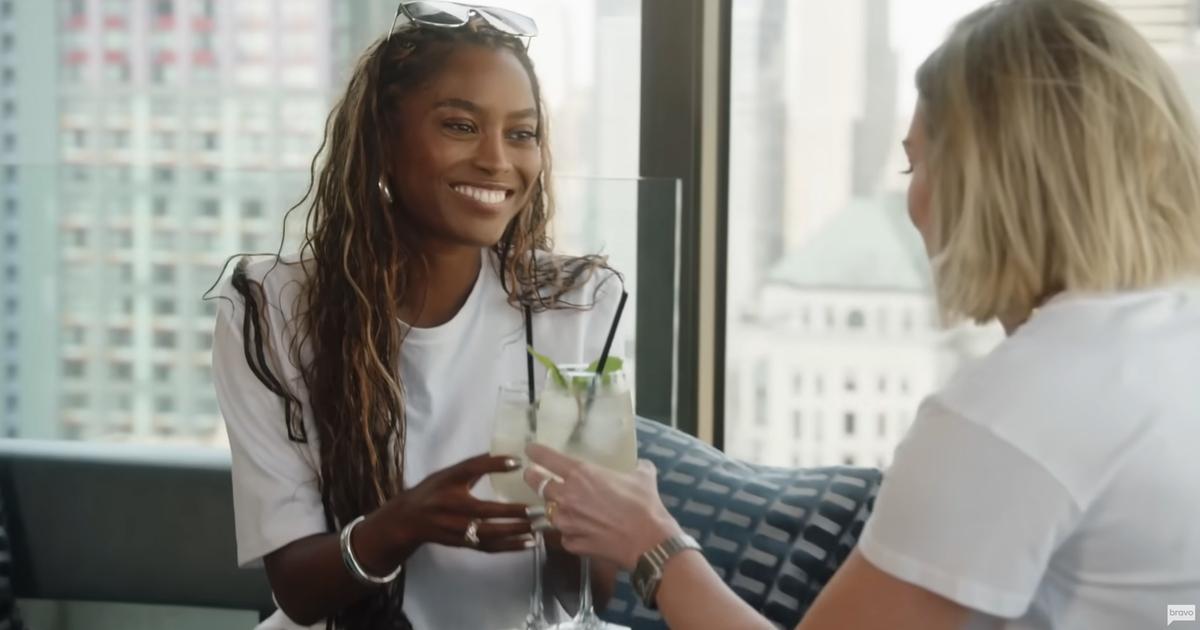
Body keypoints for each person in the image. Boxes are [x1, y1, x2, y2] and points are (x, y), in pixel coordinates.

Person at [524, 0, 1200, 628]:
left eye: (915, 167)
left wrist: (652, 543)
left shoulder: (1021, 407)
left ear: (983, 180)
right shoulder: (1170, 341)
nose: (913, 204)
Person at [209, 3, 624, 629]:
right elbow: (296, 589)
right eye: (460, 126)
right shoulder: (272, 308)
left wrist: (579, 524)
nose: (497, 161)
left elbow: (593, 593)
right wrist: (401, 525)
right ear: (383, 138)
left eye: (521, 133)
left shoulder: (577, 303)